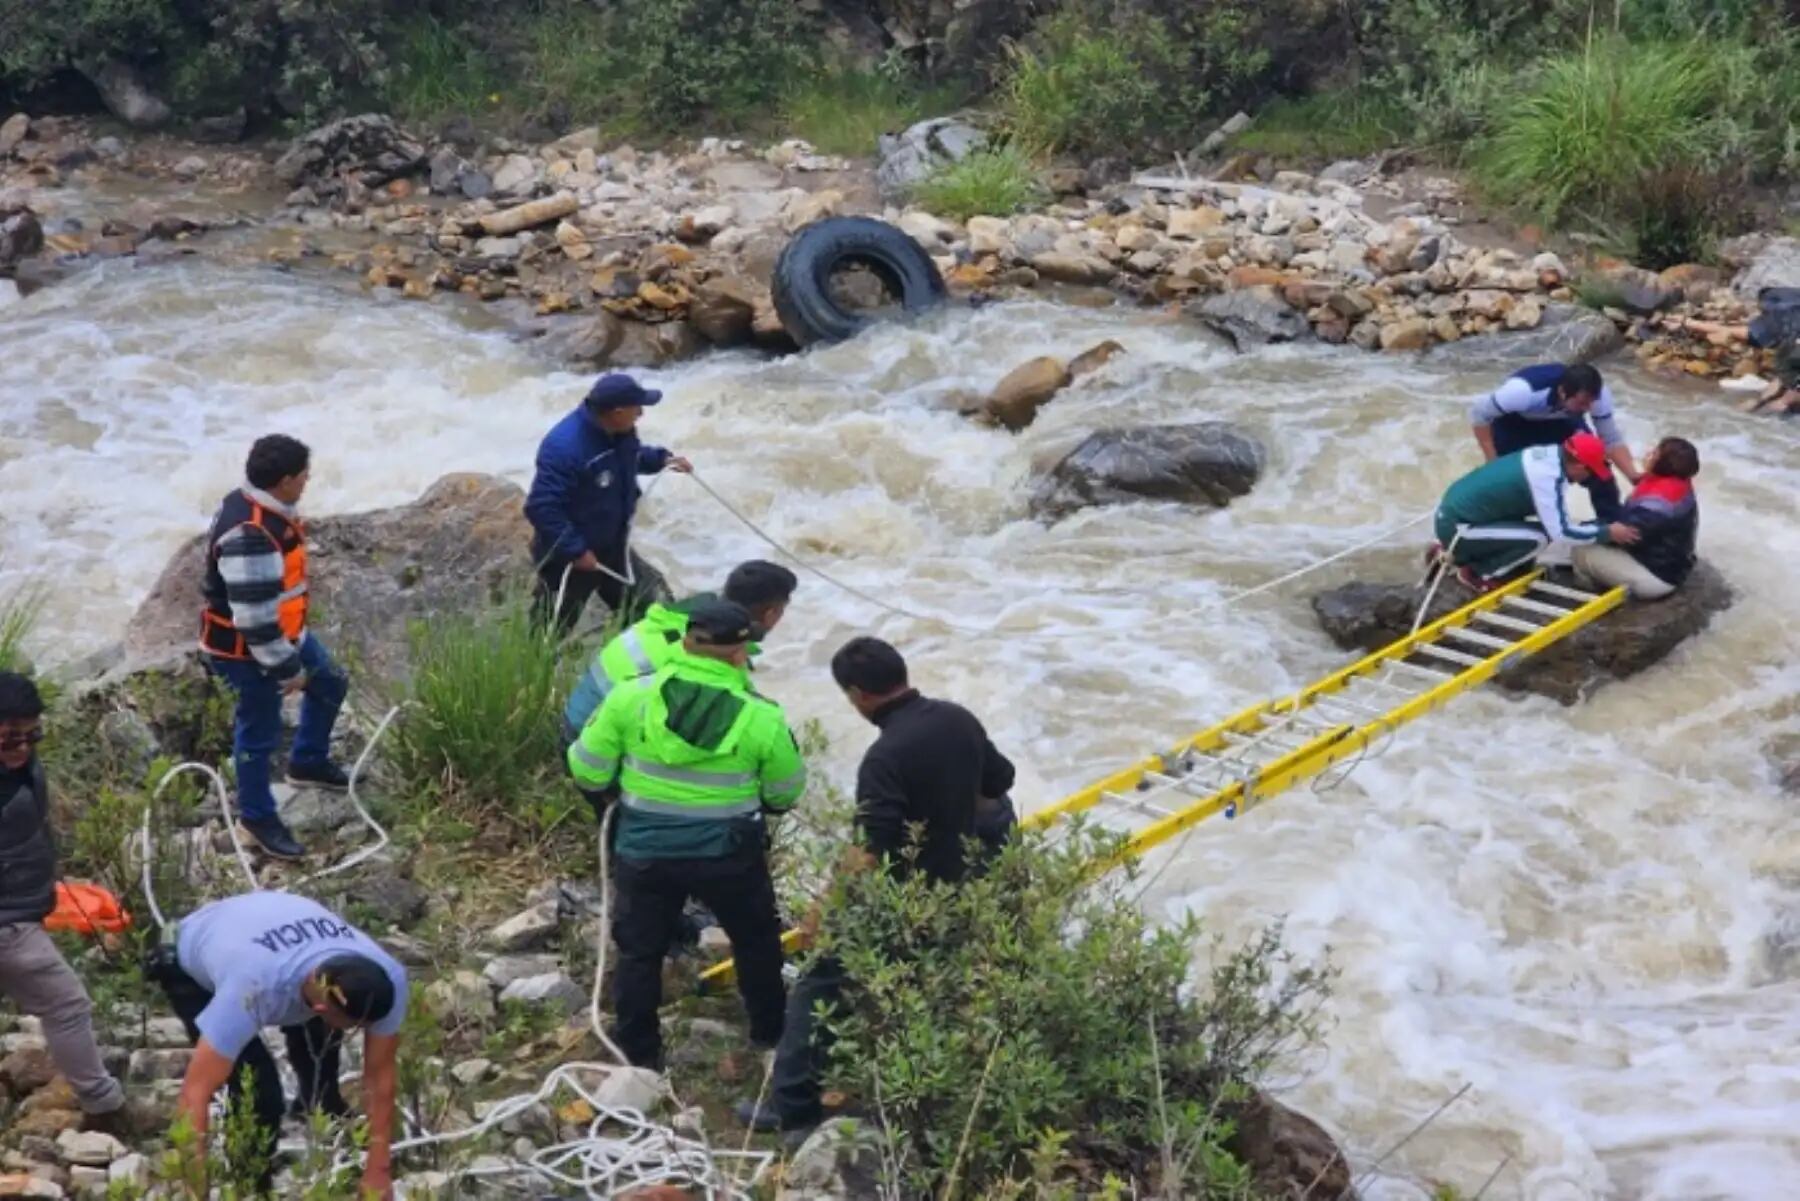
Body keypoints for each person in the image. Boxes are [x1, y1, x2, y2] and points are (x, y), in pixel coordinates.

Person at [736, 636, 1016, 1144]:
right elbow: (1000, 781)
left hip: (902, 898)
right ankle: (932, 1107)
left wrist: (824, 907)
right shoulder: (957, 718)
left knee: (818, 985)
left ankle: (793, 1111)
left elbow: (870, 846)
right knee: (938, 992)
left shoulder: (884, 756)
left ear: (858, 694)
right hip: (963, 890)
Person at [567, 599, 806, 1069]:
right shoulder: (763, 717)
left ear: (684, 641)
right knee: (757, 942)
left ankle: (639, 1055)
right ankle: (769, 1036)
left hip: (644, 852)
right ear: (739, 655)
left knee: (640, 952)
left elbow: (587, 771)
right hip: (730, 858)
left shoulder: (629, 698)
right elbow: (785, 793)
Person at [145, 890, 406, 1198]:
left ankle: (321, 1108)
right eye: (357, 1027)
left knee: (321, 1051)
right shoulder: (254, 988)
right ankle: (252, 1183)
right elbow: (195, 1093)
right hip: (192, 955)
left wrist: (378, 1171)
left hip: (270, 925)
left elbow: (379, 1078)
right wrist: (194, 1190)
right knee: (260, 1092)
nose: (363, 1033)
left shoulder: (388, 977)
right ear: (321, 1010)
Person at [199, 435, 349, 861]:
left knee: (332, 683)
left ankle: (307, 763)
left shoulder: (260, 507)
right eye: (304, 475)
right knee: (257, 734)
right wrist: (287, 669)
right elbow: (254, 622)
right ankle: (257, 818)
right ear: (285, 481)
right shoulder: (252, 534)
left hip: (287, 635)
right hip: (248, 653)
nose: (308, 482)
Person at [0, 673, 132, 1132]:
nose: (21, 746)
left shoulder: (24, 768)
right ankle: (105, 1108)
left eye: (30, 734)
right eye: (8, 737)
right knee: (66, 1004)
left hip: (22, 908)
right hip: (8, 925)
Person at [561, 559, 799, 743]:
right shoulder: (705, 654)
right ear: (771, 614)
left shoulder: (670, 622)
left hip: (578, 725)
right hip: (589, 744)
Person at [525, 373, 692, 634]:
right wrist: (576, 551)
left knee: (648, 614)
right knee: (548, 632)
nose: (641, 414)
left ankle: (645, 667)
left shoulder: (618, 431)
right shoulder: (565, 448)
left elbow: (629, 458)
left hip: (613, 548)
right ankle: (532, 671)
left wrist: (662, 460)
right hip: (570, 560)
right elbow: (541, 507)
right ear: (617, 412)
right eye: (637, 408)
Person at [1431, 433, 1640, 593]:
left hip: (1455, 515)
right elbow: (1561, 532)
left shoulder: (1548, 454)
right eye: (1590, 472)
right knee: (1540, 537)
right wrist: (1607, 532)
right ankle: (1477, 573)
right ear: (1578, 465)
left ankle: (1462, 551)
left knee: (1537, 527)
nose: (1588, 478)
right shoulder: (1547, 478)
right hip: (1459, 528)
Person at [1468, 362, 1638, 520]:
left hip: (1561, 421)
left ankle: (1611, 523)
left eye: (1591, 404)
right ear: (1562, 392)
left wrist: (1633, 476)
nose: (1588, 409)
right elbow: (1479, 415)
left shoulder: (1597, 397)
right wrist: (1493, 461)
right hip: (1513, 424)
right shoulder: (1521, 392)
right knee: (1511, 481)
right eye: (1582, 404)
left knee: (1596, 465)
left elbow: (1610, 438)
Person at [1571, 436, 1700, 601]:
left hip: (1657, 578)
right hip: (1674, 565)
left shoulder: (1657, 504)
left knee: (1580, 549)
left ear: (1664, 464)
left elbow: (1623, 535)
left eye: (1654, 453)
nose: (1648, 454)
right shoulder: (1679, 482)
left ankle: (1586, 589)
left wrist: (1585, 528)